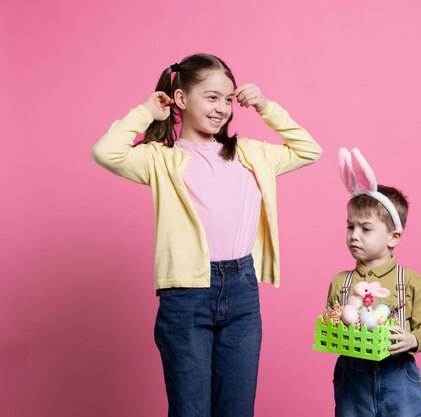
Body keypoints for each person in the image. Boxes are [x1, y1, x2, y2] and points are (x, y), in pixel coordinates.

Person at [92, 53, 322, 417]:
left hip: (243, 290)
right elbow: (105, 151)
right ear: (181, 99)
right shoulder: (160, 159)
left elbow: (309, 149)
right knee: (190, 409)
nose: (223, 108)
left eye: (228, 99)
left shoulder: (251, 154)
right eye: (212, 97)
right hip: (185, 294)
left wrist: (265, 106)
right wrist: (145, 111)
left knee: (237, 408)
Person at [326, 148, 421, 417]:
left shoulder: (409, 281)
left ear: (393, 237)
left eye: (365, 229)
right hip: (353, 377)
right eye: (350, 226)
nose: (354, 235)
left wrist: (412, 339)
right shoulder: (341, 282)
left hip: (398, 374)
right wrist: (335, 323)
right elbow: (334, 323)